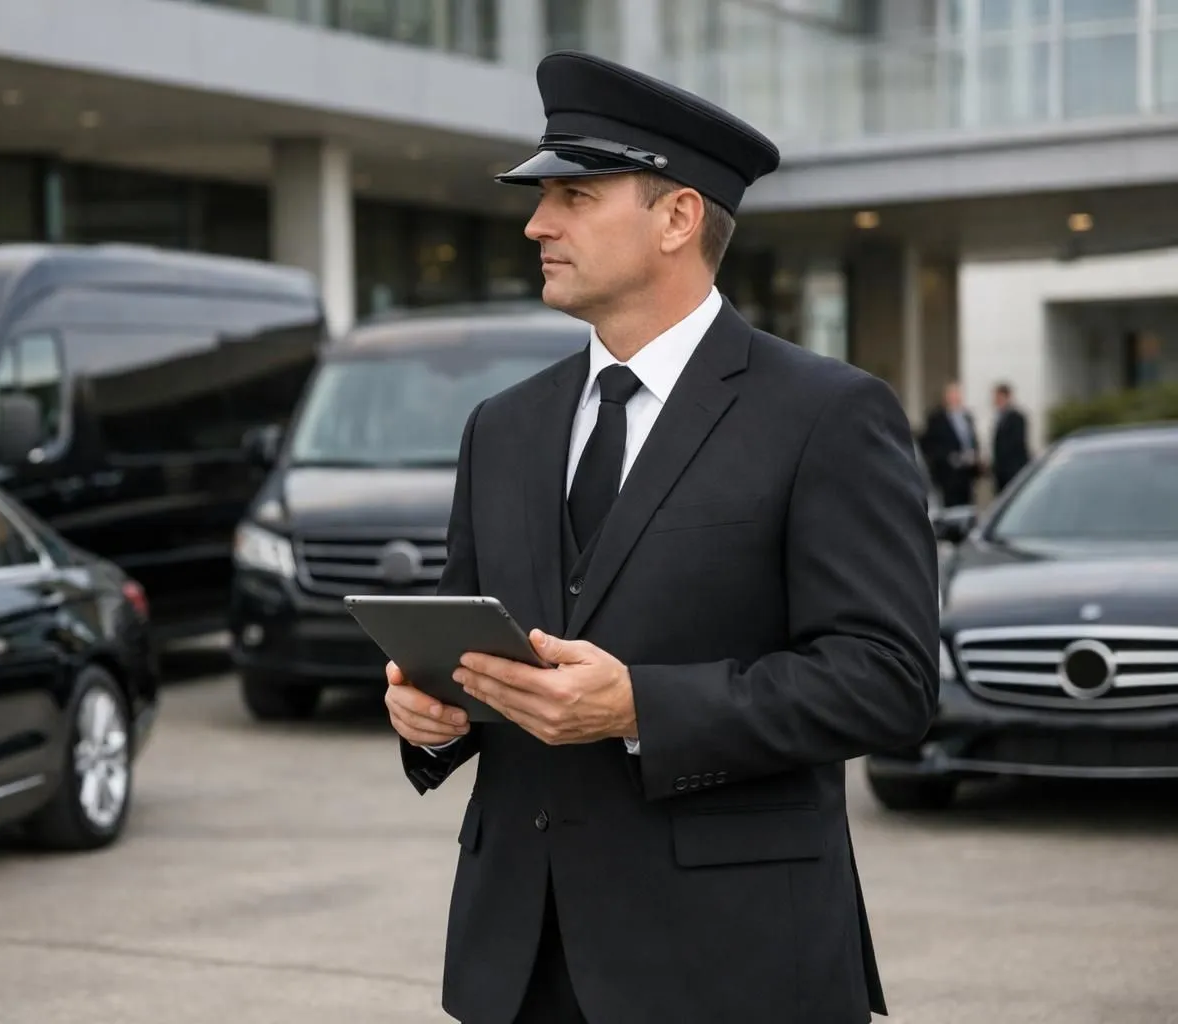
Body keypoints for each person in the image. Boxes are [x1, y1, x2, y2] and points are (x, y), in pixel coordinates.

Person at [382, 50, 940, 1024]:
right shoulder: (502, 426)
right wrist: (435, 717)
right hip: (523, 958)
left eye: (574, 195)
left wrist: (640, 703)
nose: (535, 223)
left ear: (678, 217)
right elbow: (477, 639)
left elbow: (887, 680)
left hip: (735, 961)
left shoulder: (826, 414)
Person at [919, 380, 980, 507]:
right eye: (952, 393)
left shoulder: (967, 417)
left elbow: (972, 440)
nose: (956, 397)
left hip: (966, 476)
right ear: (946, 396)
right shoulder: (936, 418)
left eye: (958, 393)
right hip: (947, 476)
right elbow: (929, 445)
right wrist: (949, 458)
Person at [989, 381, 1030, 493]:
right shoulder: (999, 419)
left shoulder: (1017, 418)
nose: (996, 401)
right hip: (1000, 474)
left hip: (1013, 471)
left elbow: (1016, 443)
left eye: (999, 397)